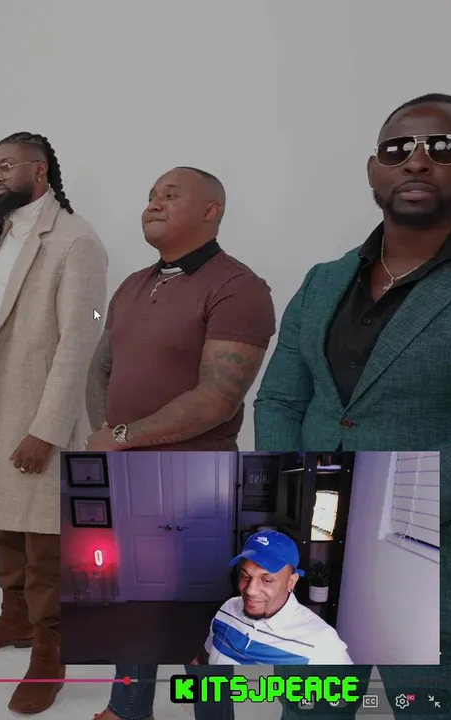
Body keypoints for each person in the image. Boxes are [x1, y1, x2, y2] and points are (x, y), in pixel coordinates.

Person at [255, 93, 451, 719]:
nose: (417, 161)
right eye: (398, 150)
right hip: (313, 553)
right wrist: (291, 495)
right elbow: (281, 398)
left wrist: (385, 509)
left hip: (434, 559)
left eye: (443, 148)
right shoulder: (325, 280)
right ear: (374, 170)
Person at [85, 166, 276, 720]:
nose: (154, 204)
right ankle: (127, 708)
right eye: (151, 196)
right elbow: (100, 371)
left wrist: (121, 438)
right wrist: (108, 442)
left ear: (211, 210)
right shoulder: (131, 284)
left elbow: (218, 397)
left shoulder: (239, 288)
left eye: (170, 195)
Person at [0, 132, 107, 715]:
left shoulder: (76, 241)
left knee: (45, 543)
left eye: (7, 165)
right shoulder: (2, 234)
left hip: (43, 415)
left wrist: (48, 429)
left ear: (40, 170)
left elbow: (80, 341)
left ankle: (50, 653)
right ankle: (14, 617)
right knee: (3, 525)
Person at [193, 530, 353, 666]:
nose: (250, 591)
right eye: (245, 576)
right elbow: (201, 662)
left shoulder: (322, 644)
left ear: (291, 582)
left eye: (267, 580)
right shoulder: (228, 609)